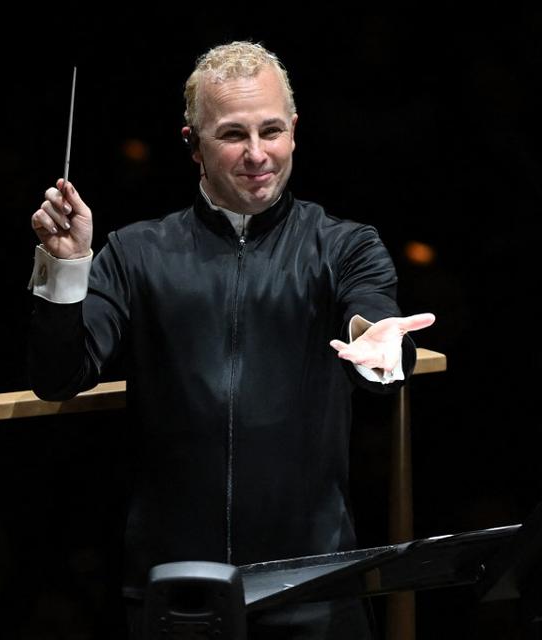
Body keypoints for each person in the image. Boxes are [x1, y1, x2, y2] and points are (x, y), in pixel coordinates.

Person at [28, 41, 434, 639]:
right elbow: (59, 377)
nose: (256, 155)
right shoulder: (137, 252)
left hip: (314, 585)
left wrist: (375, 342)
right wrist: (64, 268)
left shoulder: (344, 245)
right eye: (232, 135)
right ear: (193, 145)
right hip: (175, 586)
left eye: (271, 131)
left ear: (294, 131)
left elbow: (369, 318)